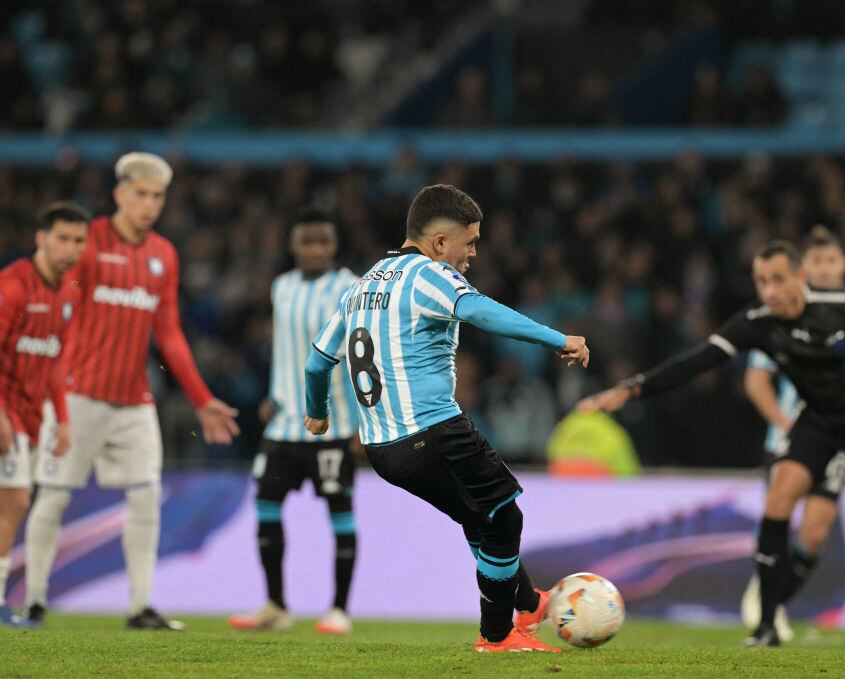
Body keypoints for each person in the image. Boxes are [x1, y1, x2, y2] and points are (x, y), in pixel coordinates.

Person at [578, 240, 845, 650]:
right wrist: (631, 389)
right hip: (820, 421)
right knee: (778, 500)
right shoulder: (757, 321)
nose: (769, 291)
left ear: (800, 278)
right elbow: (697, 361)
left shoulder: (843, 303)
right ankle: (767, 625)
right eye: (761, 282)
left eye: (777, 280)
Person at [303, 185, 589, 653]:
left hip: (383, 450)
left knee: (479, 519)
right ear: (439, 243)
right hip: (434, 430)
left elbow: (317, 363)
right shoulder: (426, 275)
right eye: (470, 242)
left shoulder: (363, 284)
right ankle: (496, 635)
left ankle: (529, 604)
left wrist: (317, 413)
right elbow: (477, 309)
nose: (473, 253)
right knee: (504, 518)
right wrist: (558, 339)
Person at [24, 152, 240, 630]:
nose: (149, 204)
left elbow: (169, 335)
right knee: (55, 496)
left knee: (145, 497)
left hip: (133, 402)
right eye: (140, 194)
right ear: (120, 194)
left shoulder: (164, 254)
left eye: (157, 196)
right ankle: (34, 600)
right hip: (77, 397)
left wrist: (202, 399)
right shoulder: (88, 243)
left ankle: (140, 606)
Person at [740, 226, 845, 635]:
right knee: (780, 519)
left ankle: (774, 604)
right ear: (804, 270)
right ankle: (766, 604)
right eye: (817, 262)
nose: (825, 269)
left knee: (814, 534)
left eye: (832, 260)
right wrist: (785, 424)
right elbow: (756, 380)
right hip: (791, 439)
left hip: (840, 438)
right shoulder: (778, 316)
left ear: (844, 265)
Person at [229, 208, 362, 634]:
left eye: (323, 241)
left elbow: (362, 350)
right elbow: (286, 348)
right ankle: (276, 605)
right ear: (294, 245)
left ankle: (339, 609)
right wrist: (274, 393)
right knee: (265, 505)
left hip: (335, 423)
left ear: (334, 245)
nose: (316, 249)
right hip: (284, 423)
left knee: (339, 513)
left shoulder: (350, 287)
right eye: (308, 241)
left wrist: (363, 417)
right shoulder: (281, 287)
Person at [0, 202, 89, 626]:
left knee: (13, 504)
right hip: (6, 411)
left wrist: (64, 419)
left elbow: (56, 361)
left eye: (78, 241)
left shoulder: (69, 293)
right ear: (41, 238)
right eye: (62, 238)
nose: (70, 249)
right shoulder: (14, 286)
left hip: (35, 416)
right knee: (14, 502)